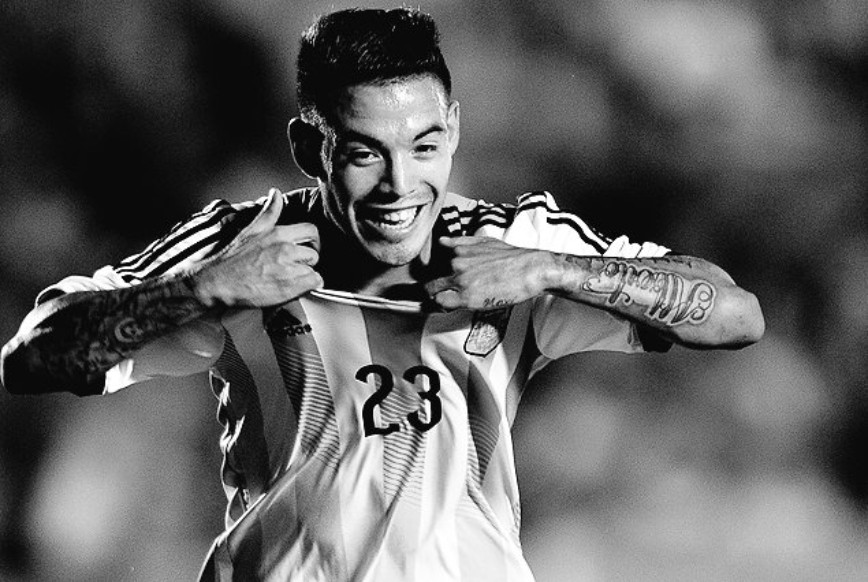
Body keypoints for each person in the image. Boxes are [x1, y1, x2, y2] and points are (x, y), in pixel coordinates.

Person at [0, 7, 764, 582]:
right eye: (366, 153)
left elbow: (735, 315)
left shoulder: (516, 243)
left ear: (453, 129)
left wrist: (554, 271)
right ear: (310, 148)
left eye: (424, 146)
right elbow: (32, 356)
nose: (401, 185)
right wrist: (205, 288)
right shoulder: (243, 245)